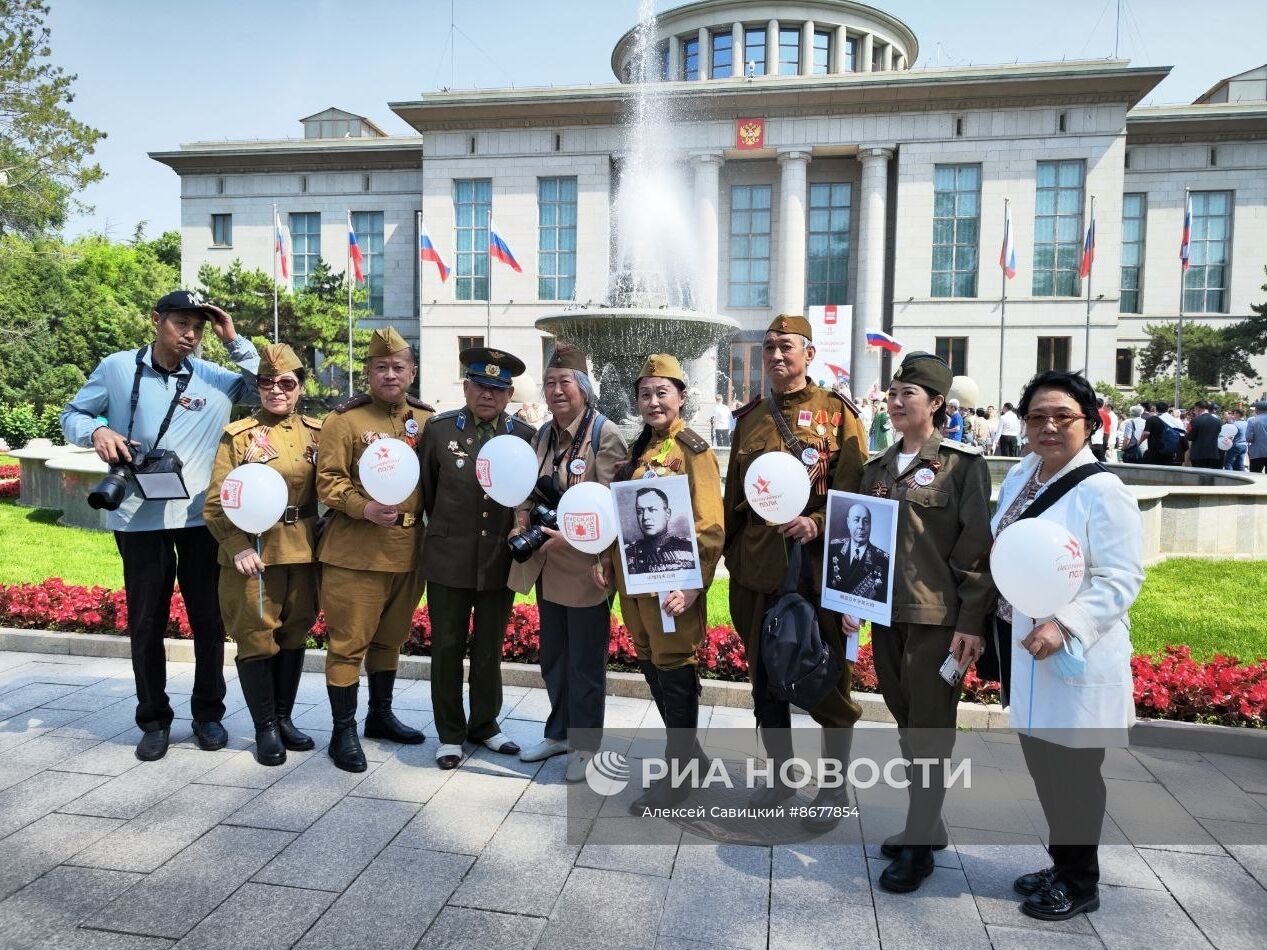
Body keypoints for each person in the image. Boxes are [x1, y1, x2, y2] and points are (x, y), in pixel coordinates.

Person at [60, 290, 259, 762]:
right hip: (137, 517)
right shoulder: (115, 368)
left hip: (199, 520)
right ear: (156, 321)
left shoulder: (213, 376)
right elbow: (73, 414)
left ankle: (209, 715)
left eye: (199, 326)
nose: (190, 334)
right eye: (181, 323)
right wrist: (98, 431)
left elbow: (265, 388)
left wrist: (233, 340)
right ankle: (153, 719)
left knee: (209, 622)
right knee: (146, 622)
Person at [991, 370, 1144, 922]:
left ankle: (1081, 881)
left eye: (1063, 417)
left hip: (1075, 652)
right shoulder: (1020, 476)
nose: (1048, 426)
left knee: (1074, 773)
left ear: (1092, 422)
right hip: (1028, 652)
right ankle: (1062, 860)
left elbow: (1122, 578)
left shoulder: (1104, 491)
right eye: (1037, 417)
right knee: (1044, 766)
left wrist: (1065, 624)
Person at [857, 351, 994, 893]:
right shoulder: (877, 468)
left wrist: (971, 621)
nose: (894, 402)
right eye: (891, 394)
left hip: (938, 621)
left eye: (906, 394)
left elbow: (977, 549)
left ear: (936, 403)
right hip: (886, 616)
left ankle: (919, 843)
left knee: (930, 729)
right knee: (905, 718)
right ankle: (927, 822)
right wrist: (853, 605)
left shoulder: (963, 465)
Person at [724, 315, 867, 830]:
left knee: (827, 678)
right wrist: (733, 559)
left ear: (808, 354)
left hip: (815, 573)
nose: (776, 356)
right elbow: (732, 503)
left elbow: (857, 497)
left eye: (786, 347)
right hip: (757, 573)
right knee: (765, 681)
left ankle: (833, 786)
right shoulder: (750, 418)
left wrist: (818, 522)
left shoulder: (838, 415)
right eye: (768, 348)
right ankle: (780, 777)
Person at [603, 354, 723, 812]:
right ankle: (691, 758)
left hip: (673, 586)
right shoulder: (640, 449)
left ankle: (679, 779)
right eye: (645, 393)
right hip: (637, 584)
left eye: (662, 392)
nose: (653, 401)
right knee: (651, 661)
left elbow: (710, 525)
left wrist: (695, 585)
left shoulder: (694, 451)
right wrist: (606, 559)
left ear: (681, 397)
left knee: (674, 665)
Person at [509, 343, 628, 780]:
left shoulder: (604, 434)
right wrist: (520, 517)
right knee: (554, 657)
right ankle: (558, 732)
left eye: (565, 383)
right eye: (549, 383)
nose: (557, 391)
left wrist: (578, 538)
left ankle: (586, 745)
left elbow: (615, 507)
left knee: (584, 663)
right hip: (545, 562)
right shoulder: (542, 434)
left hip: (585, 568)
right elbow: (528, 486)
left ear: (583, 388)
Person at [317, 327, 433, 772]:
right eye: (381, 367)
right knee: (349, 644)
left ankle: (380, 716)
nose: (390, 374)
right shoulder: (344, 421)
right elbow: (327, 480)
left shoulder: (426, 421)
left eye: (398, 367)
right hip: (356, 552)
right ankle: (341, 732)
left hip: (408, 552)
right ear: (367, 371)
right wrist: (362, 508)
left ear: (412, 372)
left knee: (391, 640)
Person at [419, 347, 536, 770]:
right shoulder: (438, 430)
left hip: (498, 559)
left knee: (489, 647)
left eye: (497, 389)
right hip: (449, 555)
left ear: (509, 396)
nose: (487, 395)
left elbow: (526, 496)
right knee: (447, 646)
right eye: (480, 386)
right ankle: (450, 733)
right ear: (466, 387)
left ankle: (485, 725)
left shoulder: (524, 435)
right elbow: (428, 493)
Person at [203, 343, 319, 766]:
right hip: (255, 550)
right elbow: (216, 503)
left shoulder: (317, 432)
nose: (276, 390)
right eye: (266, 382)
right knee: (256, 637)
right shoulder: (239, 436)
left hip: (304, 551)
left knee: (294, 633)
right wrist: (235, 547)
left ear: (299, 388)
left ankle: (285, 718)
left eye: (286, 383)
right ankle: (265, 727)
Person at [826, 503, 889, 602]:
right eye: (856, 520)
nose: (861, 526)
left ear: (870, 525)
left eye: (866, 521)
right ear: (848, 523)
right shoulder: (833, 548)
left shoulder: (883, 560)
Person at [1187, 401, 1223, 469]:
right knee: (1211, 477)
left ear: (1198, 408)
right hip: (1213, 453)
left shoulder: (1195, 420)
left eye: (1194, 409)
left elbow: (1190, 437)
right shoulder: (1218, 421)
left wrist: (1186, 434)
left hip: (1198, 454)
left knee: (1199, 477)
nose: (1194, 412)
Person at [1247, 401, 1267, 474]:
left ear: (1256, 410)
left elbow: (1248, 438)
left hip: (1257, 453)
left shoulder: (1252, 421)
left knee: (1255, 476)